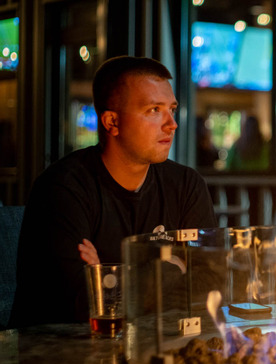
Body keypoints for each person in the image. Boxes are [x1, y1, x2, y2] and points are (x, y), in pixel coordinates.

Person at [10, 56, 216, 327]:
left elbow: (212, 282)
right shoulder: (63, 188)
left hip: (153, 344)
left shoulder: (185, 184)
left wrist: (108, 278)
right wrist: (174, 266)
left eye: (172, 109)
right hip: (60, 355)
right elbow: (79, 304)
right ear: (111, 122)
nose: (171, 124)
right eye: (154, 110)